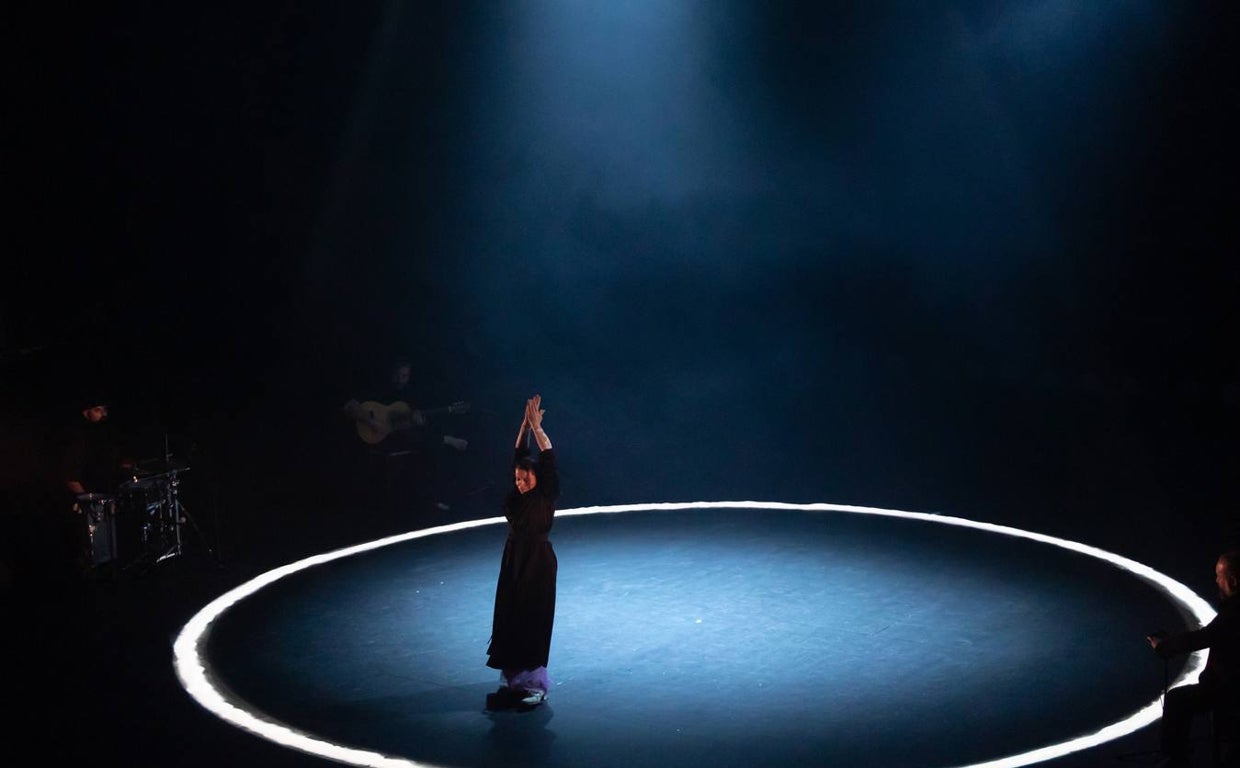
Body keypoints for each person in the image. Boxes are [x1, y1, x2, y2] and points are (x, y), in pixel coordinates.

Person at [485, 394, 558, 711]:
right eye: (517, 476)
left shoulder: (545, 494)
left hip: (537, 563)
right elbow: (519, 452)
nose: (520, 480)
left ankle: (535, 683)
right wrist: (523, 425)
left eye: (525, 475)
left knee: (532, 617)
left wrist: (538, 429)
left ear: (537, 477)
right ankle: (513, 679)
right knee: (510, 616)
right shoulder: (514, 498)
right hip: (513, 560)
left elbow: (548, 456)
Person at [1147, 549, 1240, 767]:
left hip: (1229, 689)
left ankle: (1176, 760)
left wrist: (1164, 646)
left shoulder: (1234, 613)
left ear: (1233, 581)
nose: (1216, 581)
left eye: (1219, 576)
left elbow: (1205, 637)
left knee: (1176, 700)